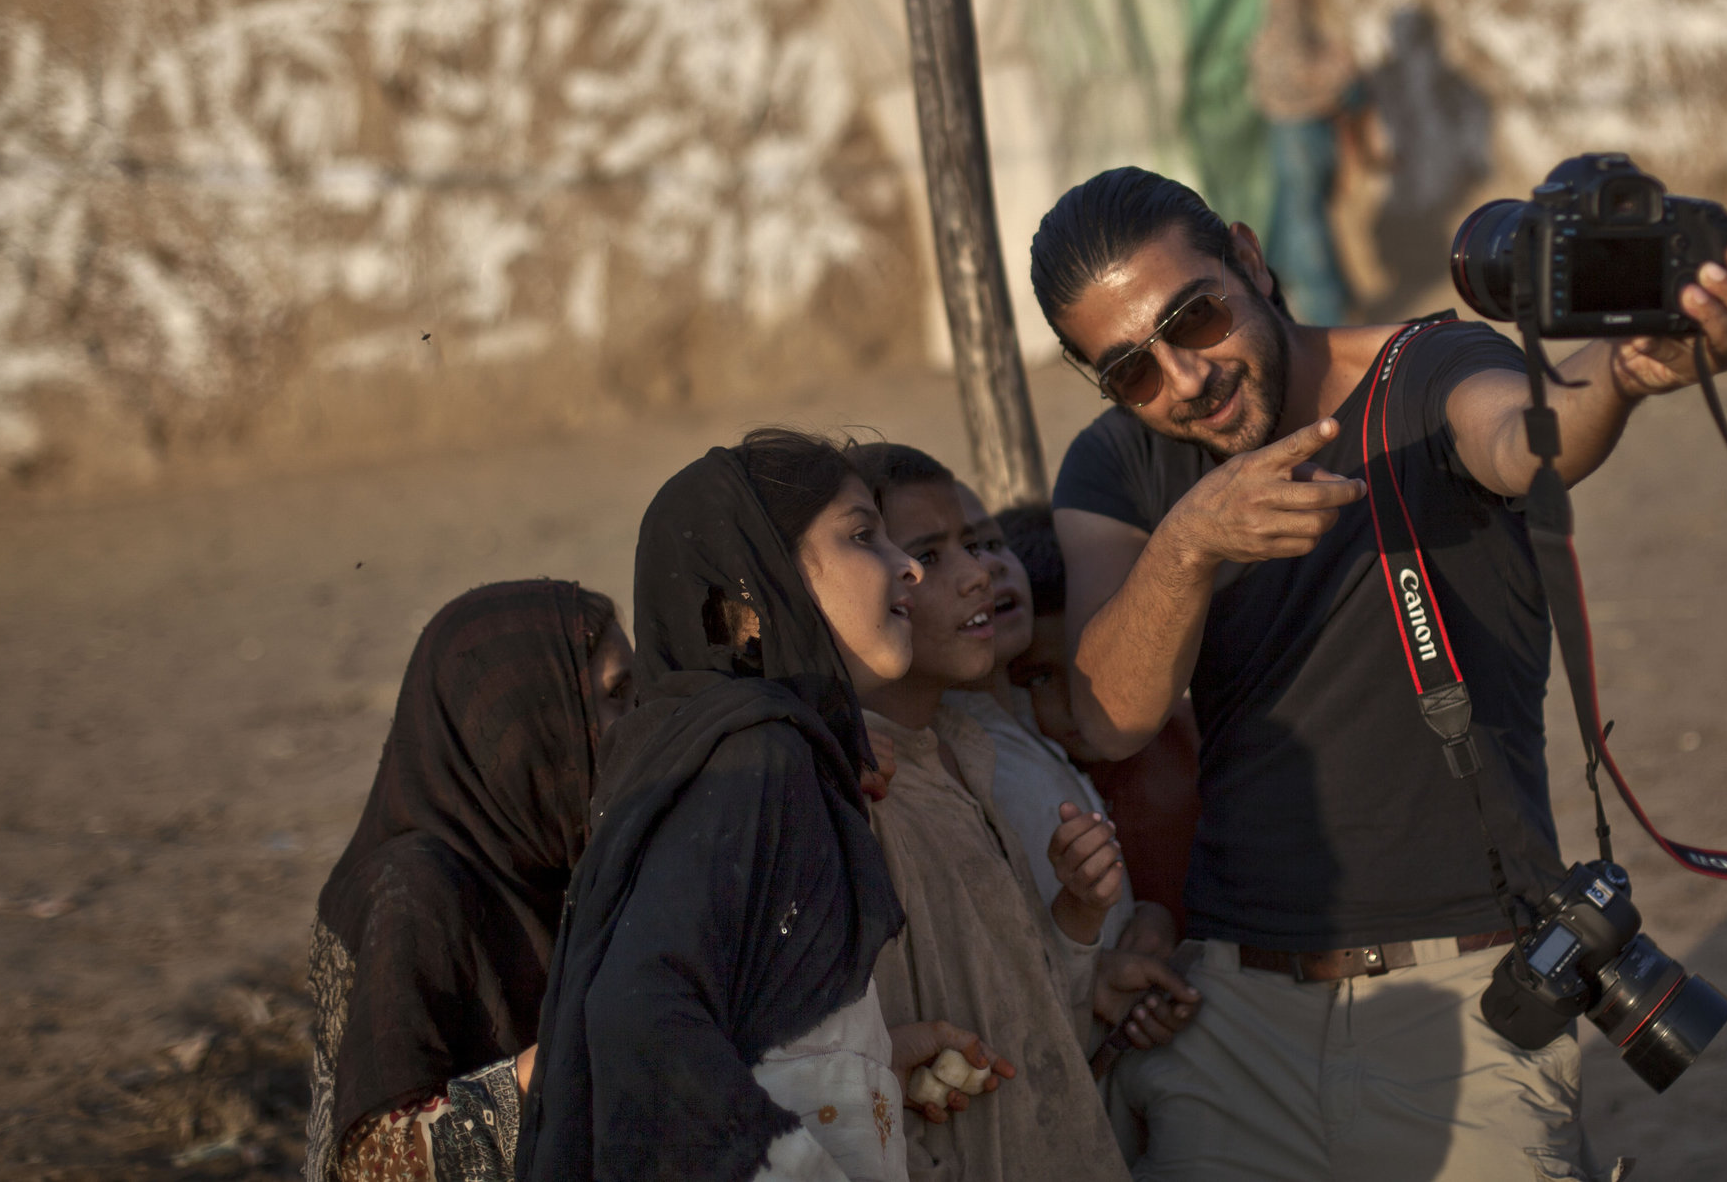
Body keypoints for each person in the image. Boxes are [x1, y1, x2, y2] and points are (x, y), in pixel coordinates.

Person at [1028, 166, 1727, 1180]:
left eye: (1195, 317)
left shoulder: (1423, 369)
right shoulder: (1120, 465)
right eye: (1131, 369)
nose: (1184, 378)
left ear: (1248, 257)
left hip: (1467, 1011)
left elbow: (1525, 436)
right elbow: (1111, 712)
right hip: (1229, 1024)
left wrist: (1620, 375)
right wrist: (1190, 545)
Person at [518, 430, 1005, 1182]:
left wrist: (869, 1058)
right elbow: (639, 1018)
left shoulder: (769, 752)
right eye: (861, 536)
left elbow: (746, 1033)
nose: (905, 563)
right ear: (755, 590)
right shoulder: (756, 755)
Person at [845, 441, 1197, 1181]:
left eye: (979, 545)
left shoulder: (967, 749)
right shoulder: (858, 790)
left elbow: (1021, 1001)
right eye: (929, 556)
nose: (978, 573)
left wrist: (1084, 939)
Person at [306, 580, 634, 1182]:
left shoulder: (561, 854)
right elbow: (373, 1163)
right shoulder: (412, 891)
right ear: (534, 720)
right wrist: (556, 1062)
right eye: (617, 696)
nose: (638, 723)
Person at [995, 501, 1201, 944]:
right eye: (1041, 677)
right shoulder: (1008, 780)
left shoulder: (1195, 745)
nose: (1075, 701)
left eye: (1092, 662)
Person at [1248, 0, 1361, 326]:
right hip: (1295, 138)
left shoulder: (1300, 44)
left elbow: (1344, 80)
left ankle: (1327, 311)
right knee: (1301, 226)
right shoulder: (1277, 48)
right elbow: (1332, 78)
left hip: (1308, 139)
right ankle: (1325, 310)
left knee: (1304, 222)